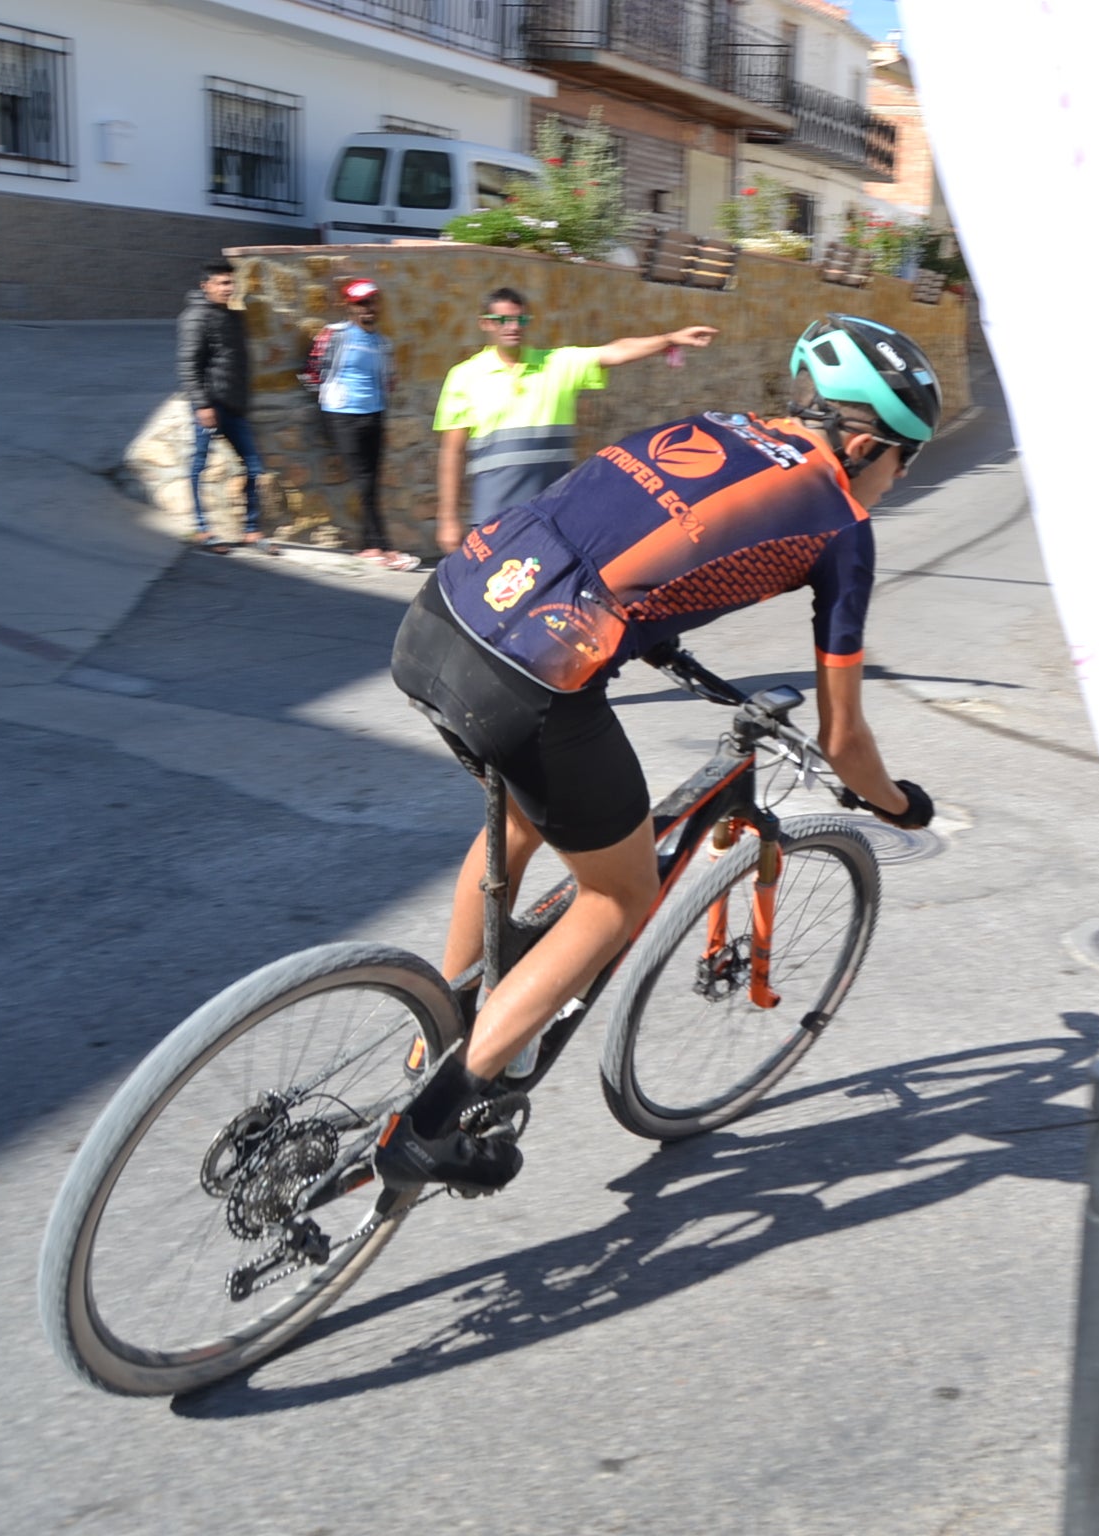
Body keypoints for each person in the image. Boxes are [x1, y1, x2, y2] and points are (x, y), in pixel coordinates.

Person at [381, 314, 943, 1193]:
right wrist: (896, 804)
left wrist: (650, 635)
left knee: (528, 823)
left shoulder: (713, 425)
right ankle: (435, 1118)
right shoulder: (839, 521)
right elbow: (844, 739)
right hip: (529, 677)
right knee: (621, 891)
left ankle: (439, 1026)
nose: (899, 481)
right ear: (867, 442)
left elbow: (613, 530)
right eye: (906, 461)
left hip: (440, 614)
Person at [432, 286, 720, 555]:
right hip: (492, 517)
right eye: (502, 319)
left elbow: (616, 351)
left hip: (553, 514)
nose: (512, 327)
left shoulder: (556, 364)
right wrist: (448, 518)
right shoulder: (465, 376)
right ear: (485, 323)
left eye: (520, 319)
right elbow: (452, 451)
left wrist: (669, 340)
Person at [301, 278, 413, 569]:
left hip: (374, 413)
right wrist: (331, 398)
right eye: (361, 303)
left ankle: (368, 547)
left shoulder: (382, 342)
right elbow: (312, 371)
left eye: (372, 302)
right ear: (349, 306)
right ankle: (384, 547)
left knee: (371, 482)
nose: (368, 309)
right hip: (342, 415)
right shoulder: (335, 335)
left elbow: (389, 379)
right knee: (363, 480)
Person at [176, 258, 267, 550]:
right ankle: (203, 529)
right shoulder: (195, 318)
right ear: (207, 286)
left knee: (254, 467)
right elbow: (189, 365)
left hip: (235, 407)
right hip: (210, 406)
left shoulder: (233, 316)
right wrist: (202, 405)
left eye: (231, 282)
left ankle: (251, 530)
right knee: (199, 466)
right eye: (223, 283)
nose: (229, 288)